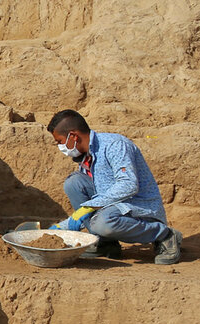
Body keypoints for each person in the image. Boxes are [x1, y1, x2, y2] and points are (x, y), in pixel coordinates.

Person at [46, 109, 182, 264]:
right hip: (115, 205)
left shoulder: (114, 145)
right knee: (74, 183)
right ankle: (105, 243)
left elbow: (128, 184)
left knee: (102, 223)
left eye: (60, 141)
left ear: (73, 136)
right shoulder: (86, 155)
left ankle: (165, 235)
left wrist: (88, 208)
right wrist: (63, 226)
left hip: (139, 206)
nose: (60, 146)